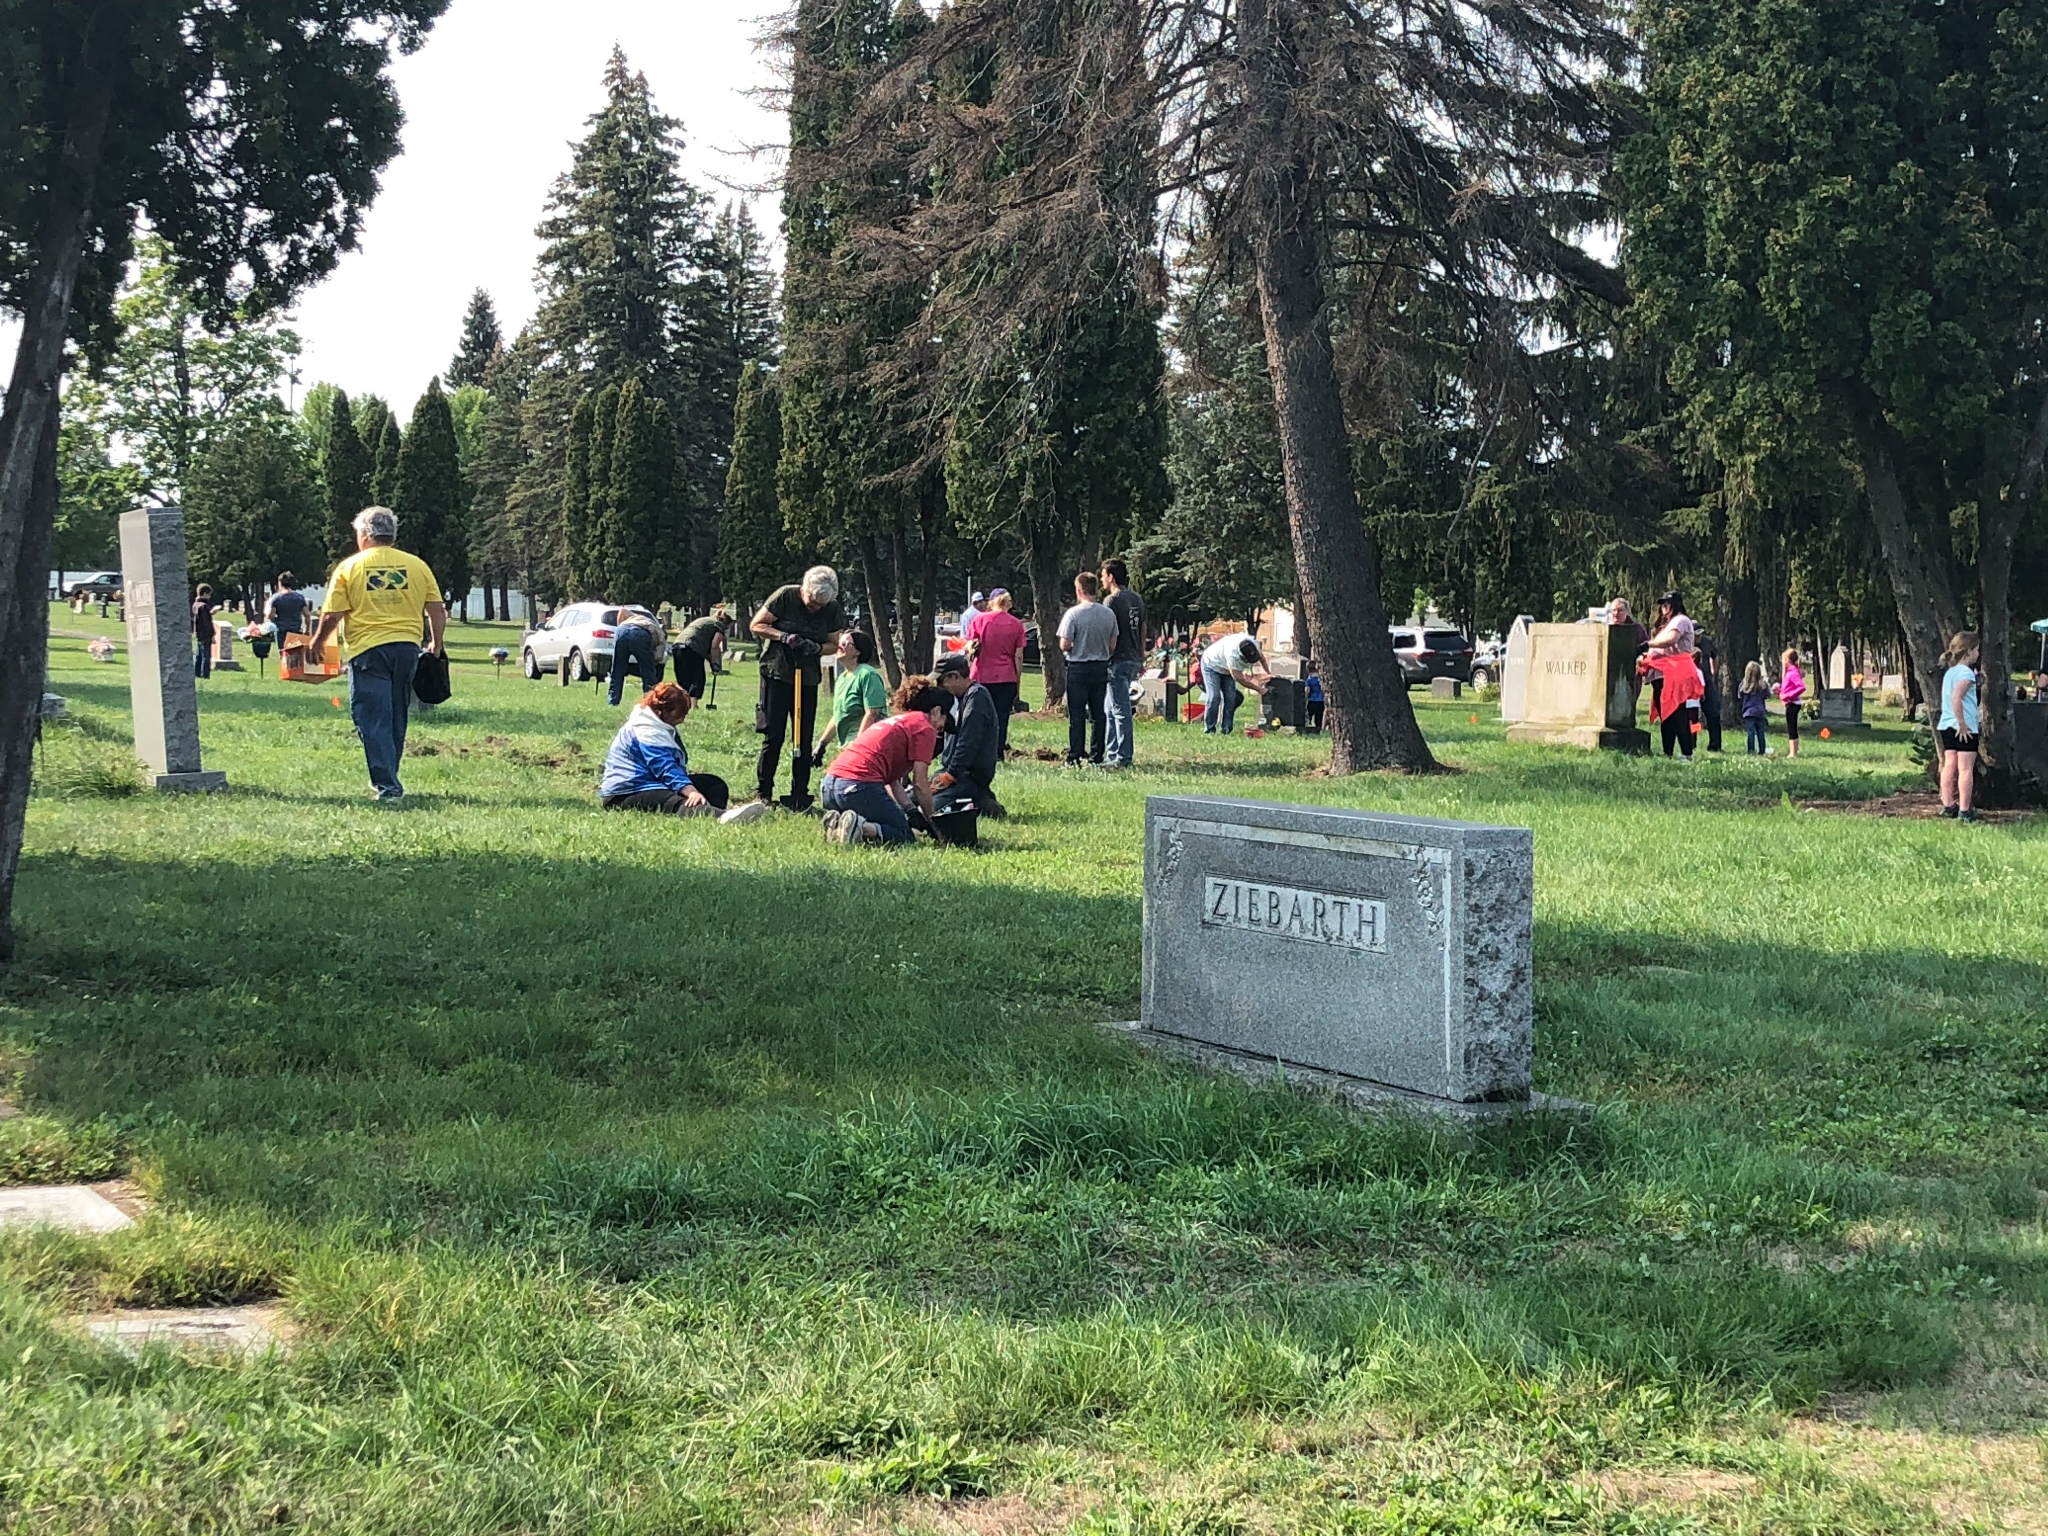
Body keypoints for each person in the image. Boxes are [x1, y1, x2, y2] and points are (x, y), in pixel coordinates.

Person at [306, 506, 448, 802]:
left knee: (371, 717)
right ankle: (390, 776)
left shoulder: (349, 567)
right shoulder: (417, 566)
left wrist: (317, 642)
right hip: (407, 648)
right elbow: (436, 609)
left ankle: (387, 786)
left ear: (364, 534)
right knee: (396, 714)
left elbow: (332, 614)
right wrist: (436, 643)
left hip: (368, 650)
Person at [749, 566, 847, 810]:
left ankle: (799, 793)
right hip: (777, 674)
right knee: (774, 735)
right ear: (804, 590)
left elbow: (834, 644)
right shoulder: (785, 596)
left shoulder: (831, 609)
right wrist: (783, 637)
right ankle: (763, 792)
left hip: (808, 679)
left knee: (802, 738)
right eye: (812, 603)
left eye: (820, 606)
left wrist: (816, 648)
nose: (815, 609)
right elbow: (757, 625)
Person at [820, 676, 951, 847]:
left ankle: (839, 823)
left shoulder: (899, 722)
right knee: (904, 835)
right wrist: (934, 822)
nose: (939, 732)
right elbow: (920, 784)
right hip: (857, 787)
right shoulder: (924, 728)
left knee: (892, 824)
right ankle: (861, 827)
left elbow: (892, 779)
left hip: (829, 786)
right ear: (936, 711)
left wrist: (911, 811)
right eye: (942, 726)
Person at [599, 681, 752, 818]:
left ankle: (715, 811)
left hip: (653, 782)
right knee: (678, 801)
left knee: (714, 785)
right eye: (679, 714)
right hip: (626, 793)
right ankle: (722, 817)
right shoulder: (645, 730)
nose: (682, 719)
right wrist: (690, 791)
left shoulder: (660, 723)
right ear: (662, 711)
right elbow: (664, 767)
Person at [1056, 571, 1119, 766]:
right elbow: (1112, 646)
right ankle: (1096, 755)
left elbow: (1064, 644)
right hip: (1100, 667)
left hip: (1078, 667)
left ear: (1078, 590)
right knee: (1098, 714)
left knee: (1077, 715)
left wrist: (1075, 648)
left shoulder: (1073, 614)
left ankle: (1075, 755)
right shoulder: (1108, 614)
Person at [932, 653, 1004, 816]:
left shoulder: (976, 698)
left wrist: (949, 776)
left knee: (930, 807)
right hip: (952, 772)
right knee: (913, 797)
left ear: (955, 676)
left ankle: (982, 802)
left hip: (968, 776)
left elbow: (968, 743)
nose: (939, 687)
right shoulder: (958, 699)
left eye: (941, 681)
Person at [964, 588, 1028, 757]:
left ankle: (978, 751)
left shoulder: (979, 620)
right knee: (1001, 717)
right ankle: (997, 752)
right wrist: (1017, 680)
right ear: (1009, 603)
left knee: (979, 716)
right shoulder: (1016, 624)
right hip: (1006, 677)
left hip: (981, 675)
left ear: (991, 602)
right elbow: (1018, 656)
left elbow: (971, 645)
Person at [1102, 557, 1146, 769]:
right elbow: (1143, 627)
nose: (1102, 579)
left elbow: (1109, 631)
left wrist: (1105, 654)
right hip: (1134, 658)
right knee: (1109, 708)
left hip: (1118, 659)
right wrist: (1141, 654)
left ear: (1111, 577)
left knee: (1120, 710)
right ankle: (1111, 753)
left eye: (1103, 575)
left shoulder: (1112, 601)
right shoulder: (1136, 598)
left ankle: (1123, 757)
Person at [1937, 631, 1983, 822]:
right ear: (1968, 652)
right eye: (1976, 650)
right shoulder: (1966, 673)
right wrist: (1962, 724)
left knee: (1949, 764)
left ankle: (1948, 805)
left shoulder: (1951, 672)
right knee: (1965, 768)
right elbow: (1957, 698)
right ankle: (1964, 810)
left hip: (1946, 724)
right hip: (1964, 726)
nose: (1978, 653)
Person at [823, 629, 889, 759]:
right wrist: (822, 744)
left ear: (857, 651)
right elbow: (838, 715)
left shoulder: (868, 674)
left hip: (867, 746)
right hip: (848, 746)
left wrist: (858, 746)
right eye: (839, 642)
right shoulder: (842, 678)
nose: (839, 646)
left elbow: (872, 713)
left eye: (844, 643)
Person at [1640, 649, 1704, 759]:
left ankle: (1687, 751)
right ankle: (1669, 751)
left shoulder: (1673, 645)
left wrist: (1650, 646)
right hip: (1662, 674)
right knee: (1667, 717)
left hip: (1674, 676)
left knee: (1681, 718)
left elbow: (1668, 645)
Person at [1199, 634, 1267, 735]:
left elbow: (1262, 658)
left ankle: (1226, 730)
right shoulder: (1232, 655)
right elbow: (1240, 679)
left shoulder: (1252, 645)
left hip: (1226, 669)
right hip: (1211, 665)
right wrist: (1259, 689)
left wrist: (1268, 672)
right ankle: (1209, 730)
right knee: (1214, 697)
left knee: (1231, 698)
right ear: (1242, 656)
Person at [606, 606, 664, 707]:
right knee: (648, 673)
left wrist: (620, 626)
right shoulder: (660, 632)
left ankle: (612, 701)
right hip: (641, 633)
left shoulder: (634, 616)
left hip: (622, 630)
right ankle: (650, 702)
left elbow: (622, 610)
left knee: (617, 670)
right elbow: (659, 657)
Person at [671, 611, 727, 698]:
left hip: (677, 646)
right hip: (692, 648)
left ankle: (681, 702)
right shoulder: (718, 625)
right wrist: (716, 664)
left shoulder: (704, 620)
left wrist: (712, 664)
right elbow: (715, 646)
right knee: (697, 680)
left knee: (683, 681)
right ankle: (693, 703)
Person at [264, 573, 310, 661]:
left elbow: (270, 615)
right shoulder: (300, 597)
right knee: (296, 657)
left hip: (281, 631)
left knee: (283, 655)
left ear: (280, 583)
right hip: (296, 630)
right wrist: (307, 630)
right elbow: (307, 615)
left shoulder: (276, 598)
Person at [1695, 630, 1724, 753]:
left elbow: (1715, 655)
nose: (1699, 637)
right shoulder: (1684, 642)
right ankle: (1691, 744)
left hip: (1706, 681)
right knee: (1691, 716)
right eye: (1696, 634)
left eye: (1700, 634)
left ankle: (1715, 744)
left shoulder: (1706, 642)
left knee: (1713, 713)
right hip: (1690, 683)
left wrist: (1713, 672)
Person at [1778, 647, 1807, 760]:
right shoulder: (1789, 673)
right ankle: (1793, 750)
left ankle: (1793, 753)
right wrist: (1780, 691)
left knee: (1792, 727)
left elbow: (1801, 687)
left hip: (1793, 703)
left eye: (1783, 659)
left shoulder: (1793, 672)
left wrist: (1788, 696)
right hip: (1790, 703)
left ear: (1788, 660)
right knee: (1791, 726)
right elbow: (1788, 687)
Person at [1738, 661, 1772, 755]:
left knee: (1751, 732)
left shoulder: (1743, 685)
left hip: (1748, 712)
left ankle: (1751, 750)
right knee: (1761, 732)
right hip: (1760, 711)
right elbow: (1768, 695)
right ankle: (1762, 750)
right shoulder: (1763, 685)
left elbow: (1740, 696)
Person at [191, 584, 216, 679]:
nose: (209, 597)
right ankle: (205, 675)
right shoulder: (204, 606)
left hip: (199, 633)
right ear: (204, 593)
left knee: (199, 655)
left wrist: (210, 613)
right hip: (205, 634)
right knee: (206, 656)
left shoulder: (195, 604)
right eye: (209, 594)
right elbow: (206, 623)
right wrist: (212, 634)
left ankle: (197, 673)